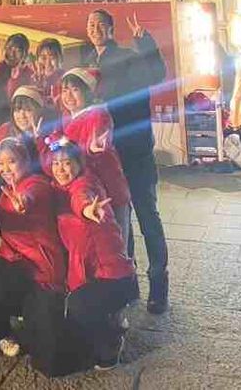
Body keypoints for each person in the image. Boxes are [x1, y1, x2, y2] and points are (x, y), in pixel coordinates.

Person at [83, 9, 169, 313]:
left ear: (110, 29)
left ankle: (158, 285)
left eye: (100, 24)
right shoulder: (88, 63)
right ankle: (128, 282)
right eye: (91, 24)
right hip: (108, 157)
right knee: (120, 223)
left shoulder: (127, 57)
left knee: (147, 217)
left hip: (135, 151)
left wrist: (145, 42)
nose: (95, 29)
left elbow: (157, 75)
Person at [0, 138, 67, 374]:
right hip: (15, 268)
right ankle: (1, 327)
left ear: (26, 161)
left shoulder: (37, 184)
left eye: (12, 161)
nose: (6, 168)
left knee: (49, 364)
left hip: (42, 273)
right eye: (0, 163)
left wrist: (23, 203)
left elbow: (31, 197)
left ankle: (35, 314)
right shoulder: (2, 190)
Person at [50, 140, 139, 370]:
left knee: (79, 307)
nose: (60, 169)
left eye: (66, 163)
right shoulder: (58, 189)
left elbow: (81, 198)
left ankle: (112, 341)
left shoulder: (84, 184)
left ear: (79, 164)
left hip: (112, 277)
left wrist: (87, 210)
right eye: (56, 163)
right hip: (90, 275)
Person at [48, 68, 131, 243]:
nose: (68, 95)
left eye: (75, 90)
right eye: (65, 90)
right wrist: (54, 142)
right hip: (83, 190)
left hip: (107, 189)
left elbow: (99, 139)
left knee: (115, 243)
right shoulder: (66, 117)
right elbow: (56, 146)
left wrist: (91, 149)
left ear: (87, 92)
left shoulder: (97, 115)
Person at [0, 85, 46, 162]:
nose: (22, 116)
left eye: (28, 110)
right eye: (17, 110)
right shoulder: (5, 133)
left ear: (39, 111)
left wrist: (39, 142)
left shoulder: (51, 134)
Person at [35, 38, 64, 109]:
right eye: (43, 57)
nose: (47, 63)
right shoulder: (33, 79)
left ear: (60, 59)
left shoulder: (65, 80)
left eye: (52, 57)